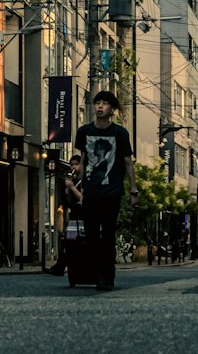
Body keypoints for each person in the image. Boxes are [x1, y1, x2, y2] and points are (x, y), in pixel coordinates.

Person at [73, 90, 137, 291]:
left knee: (108, 235)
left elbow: (127, 162)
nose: (100, 106)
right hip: (91, 191)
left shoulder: (120, 133)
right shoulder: (84, 131)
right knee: (91, 235)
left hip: (112, 191)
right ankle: (98, 272)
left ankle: (107, 277)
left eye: (105, 103)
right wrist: (78, 185)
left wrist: (133, 189)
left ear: (112, 109)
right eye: (97, 102)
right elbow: (83, 158)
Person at [48, 154, 85, 276]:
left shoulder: (84, 180)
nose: (74, 166)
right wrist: (68, 192)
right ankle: (60, 266)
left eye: (76, 164)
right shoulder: (74, 180)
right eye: (72, 164)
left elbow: (82, 198)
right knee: (68, 241)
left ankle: (61, 267)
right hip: (74, 215)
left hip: (82, 216)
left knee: (71, 242)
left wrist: (72, 188)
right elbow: (70, 201)